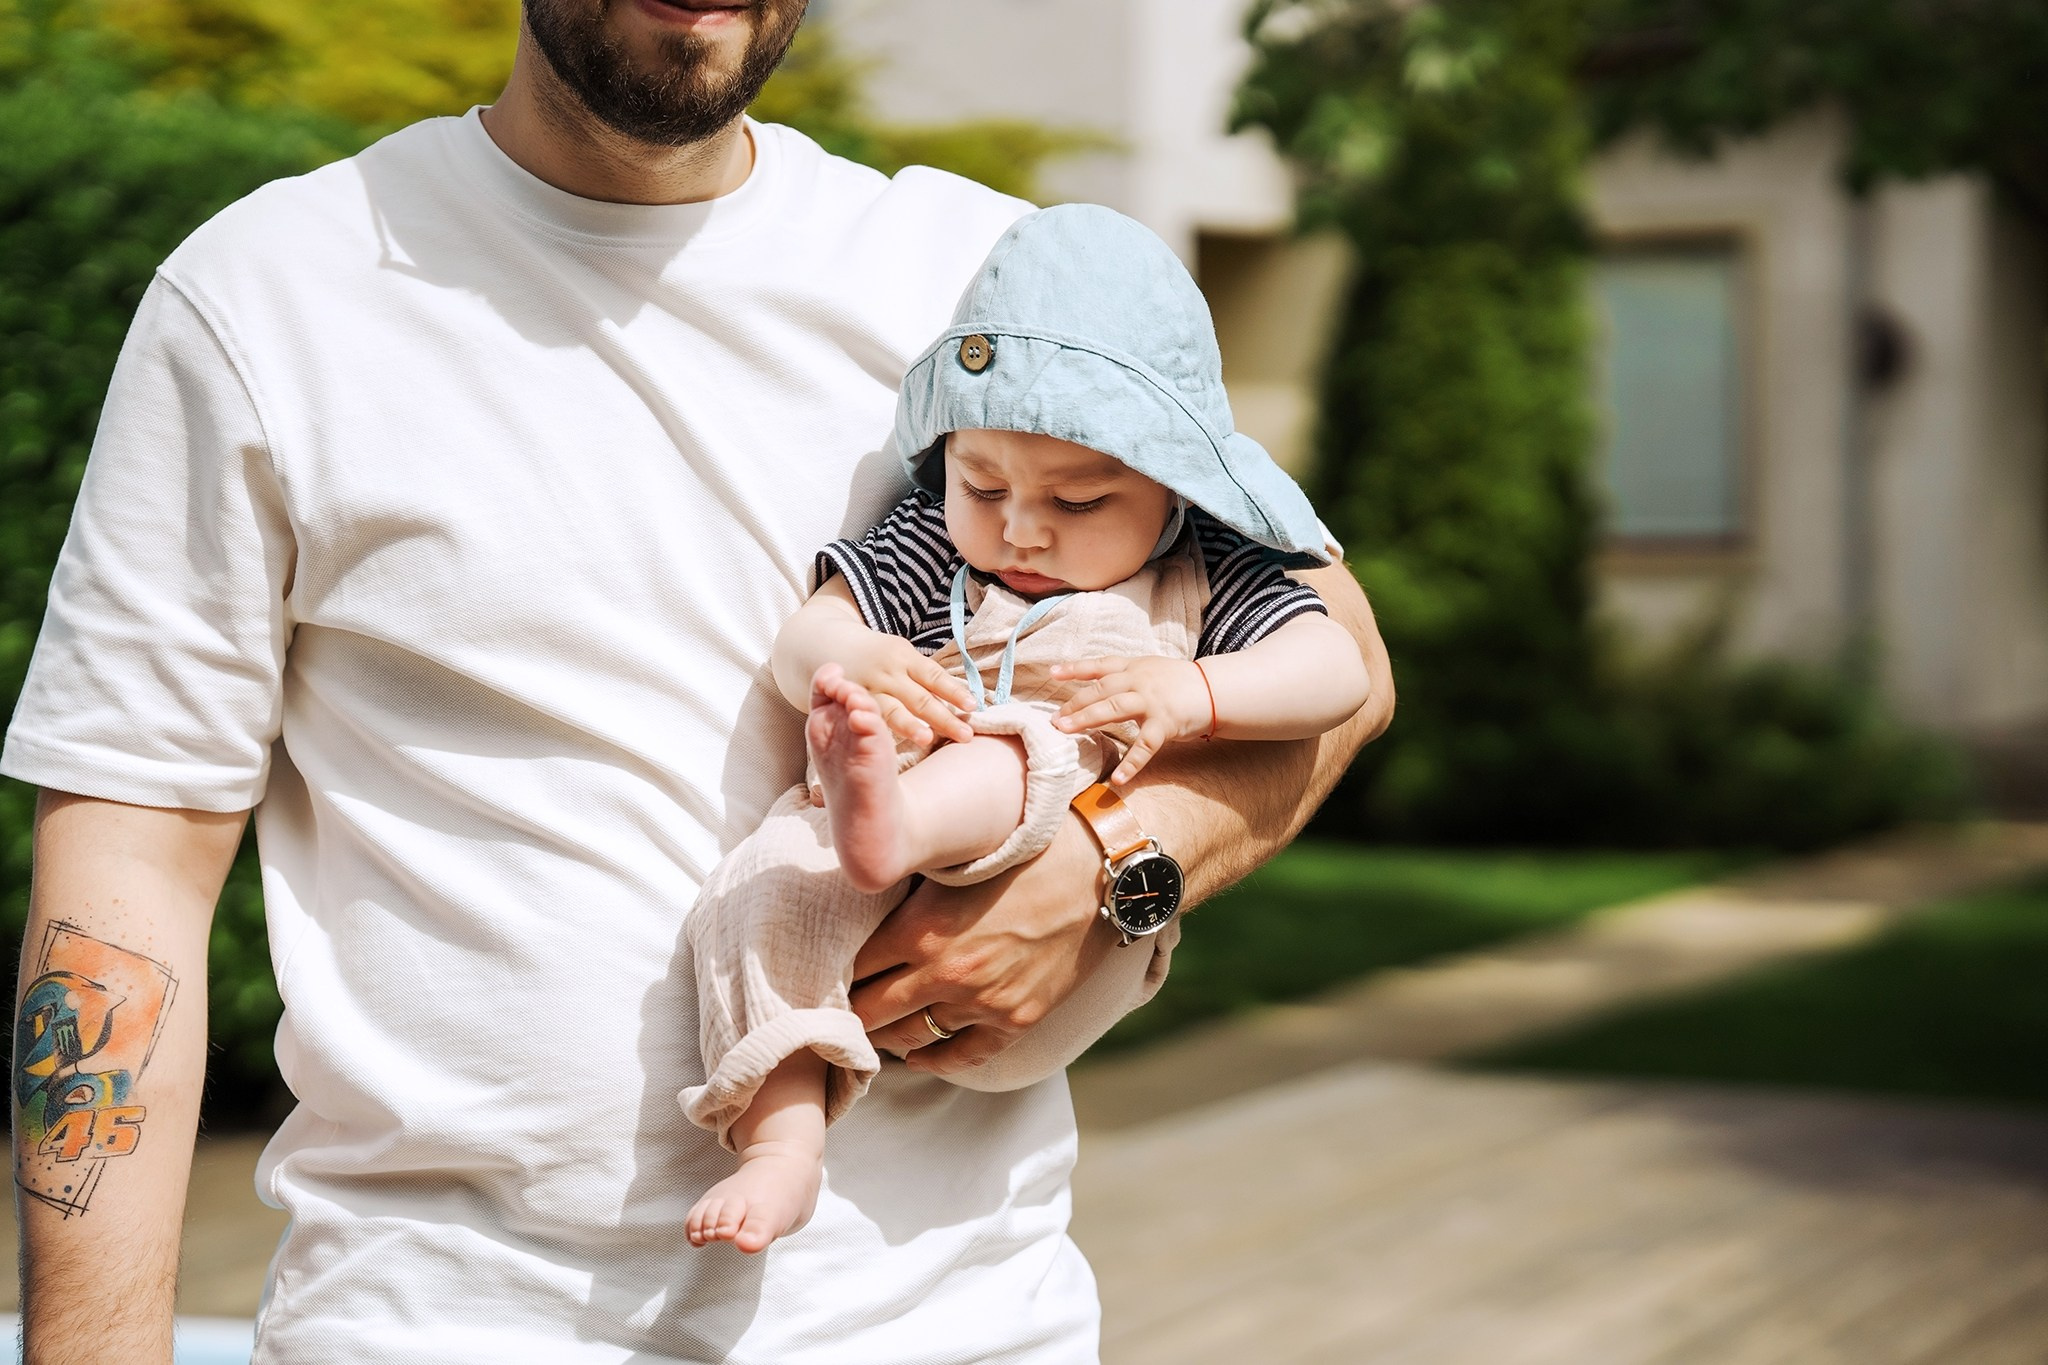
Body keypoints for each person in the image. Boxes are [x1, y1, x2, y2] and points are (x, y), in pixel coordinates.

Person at [3, 1, 1393, 1361]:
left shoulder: (993, 286)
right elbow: (131, 864)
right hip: (437, 1319)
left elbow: (1342, 660)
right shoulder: (267, 297)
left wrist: (1112, 866)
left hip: (956, 1322)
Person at [680, 204, 1374, 1253]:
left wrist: (1194, 695)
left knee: (1022, 751)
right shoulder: (936, 550)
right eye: (982, 484)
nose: (1019, 529)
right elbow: (810, 630)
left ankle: (897, 819)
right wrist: (856, 656)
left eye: (1081, 501)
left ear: (1175, 499)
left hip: (1057, 893)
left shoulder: (1209, 572)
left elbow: (1339, 671)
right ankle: (780, 1139)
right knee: (766, 884)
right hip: (866, 902)